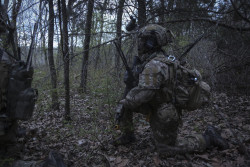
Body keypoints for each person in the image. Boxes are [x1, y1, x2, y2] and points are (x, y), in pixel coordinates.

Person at [112, 24, 229, 156]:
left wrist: (128, 96)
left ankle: (208, 138)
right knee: (125, 103)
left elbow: (143, 94)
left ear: (149, 42)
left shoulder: (154, 65)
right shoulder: (161, 59)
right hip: (156, 104)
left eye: (142, 40)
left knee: (166, 149)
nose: (139, 44)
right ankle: (128, 134)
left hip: (165, 112)